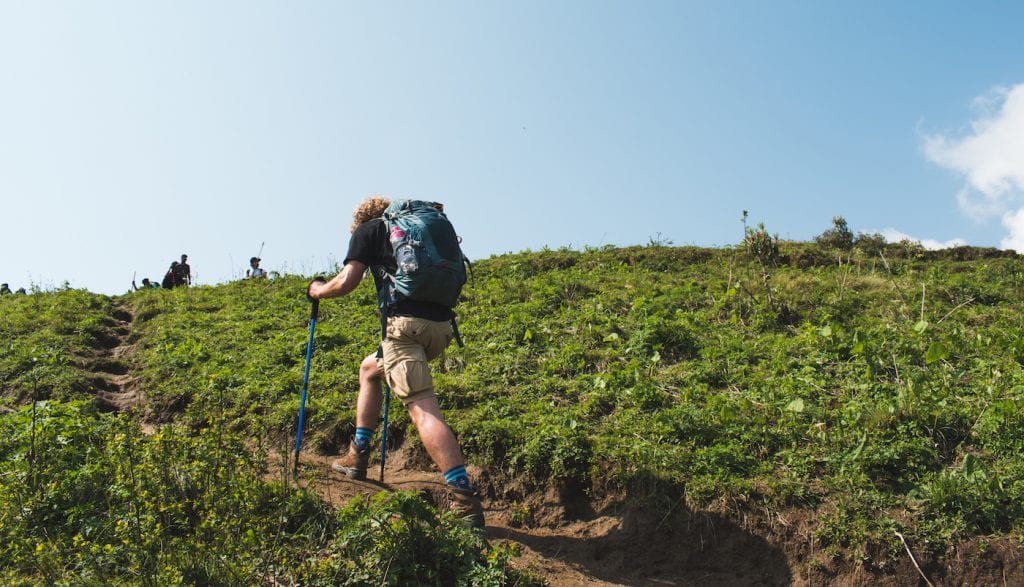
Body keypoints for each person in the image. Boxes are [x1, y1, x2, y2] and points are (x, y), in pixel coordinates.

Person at [307, 196, 484, 528]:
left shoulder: (370, 230)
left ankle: (464, 500)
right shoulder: (420, 228)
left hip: (404, 329)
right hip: (441, 327)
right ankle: (357, 455)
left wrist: (317, 291)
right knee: (370, 369)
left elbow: (347, 281)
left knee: (423, 410)